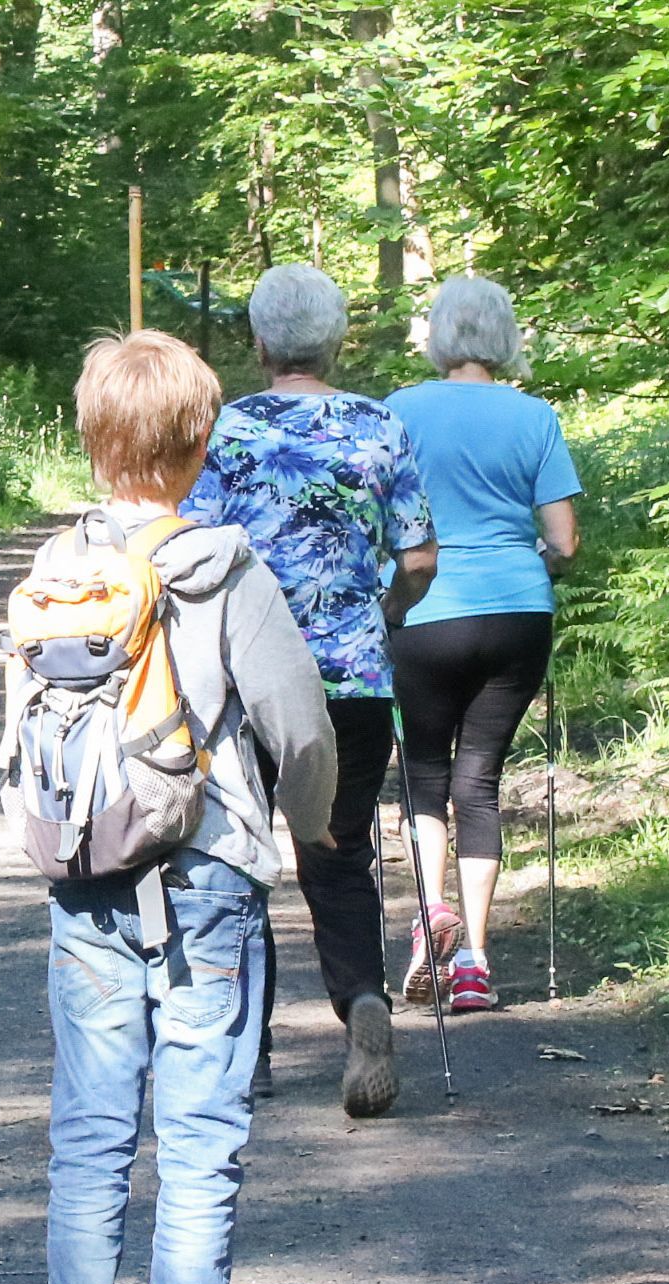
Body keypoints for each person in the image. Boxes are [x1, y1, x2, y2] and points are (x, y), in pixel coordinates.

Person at [21, 330, 338, 1284]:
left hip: (90, 871)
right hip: (207, 874)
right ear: (204, 441)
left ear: (90, 438)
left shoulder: (58, 575)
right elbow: (298, 724)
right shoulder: (223, 564)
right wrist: (312, 829)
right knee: (200, 1132)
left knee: (91, 1135)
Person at [184, 264, 435, 1117]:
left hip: (247, 675)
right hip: (355, 678)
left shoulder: (228, 432)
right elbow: (420, 559)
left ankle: (245, 1048)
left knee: (238, 850)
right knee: (337, 847)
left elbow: (189, 547)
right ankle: (362, 998)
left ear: (259, 343)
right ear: (337, 339)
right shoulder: (381, 426)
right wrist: (383, 616)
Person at [383, 276, 583, 1014]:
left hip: (424, 610)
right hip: (514, 612)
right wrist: (534, 552)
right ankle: (474, 960)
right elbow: (562, 541)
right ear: (505, 337)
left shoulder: (400, 409)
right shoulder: (535, 416)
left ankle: (430, 912)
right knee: (481, 780)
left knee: (425, 773)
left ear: (438, 334)